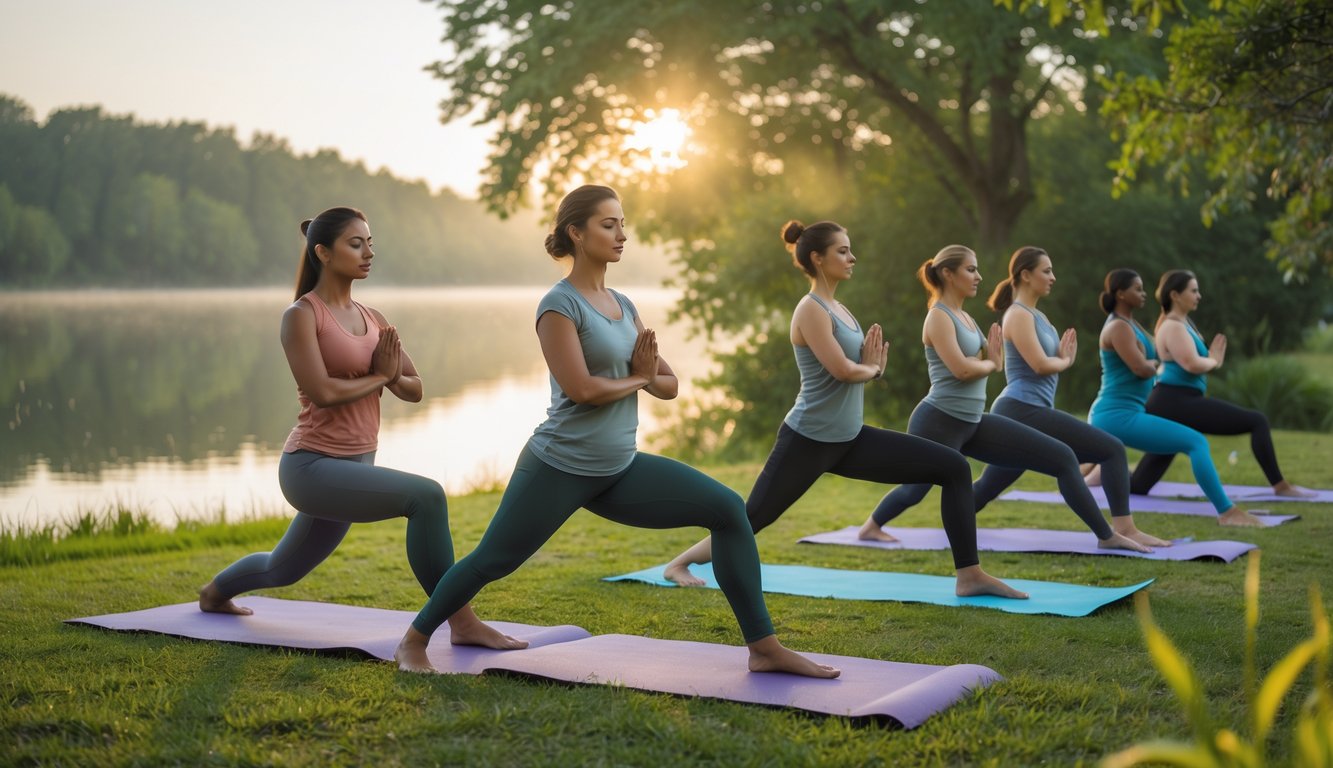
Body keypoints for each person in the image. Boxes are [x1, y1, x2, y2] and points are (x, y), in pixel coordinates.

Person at [394, 186, 839, 678]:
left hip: (619, 467)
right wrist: (637, 377)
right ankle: (415, 641)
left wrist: (642, 377)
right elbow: (582, 389)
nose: (622, 235)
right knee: (494, 560)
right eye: (609, 225)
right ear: (576, 233)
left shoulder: (623, 305)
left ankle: (764, 648)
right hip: (560, 464)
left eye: (622, 224)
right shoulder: (558, 306)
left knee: (729, 510)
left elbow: (667, 384)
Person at [199, 207, 523, 650]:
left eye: (370, 242)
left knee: (283, 569)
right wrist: (380, 376)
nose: (369, 252)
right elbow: (323, 392)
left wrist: (389, 376)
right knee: (425, 497)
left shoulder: (374, 317)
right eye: (357, 244)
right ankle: (461, 623)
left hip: (354, 466)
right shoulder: (301, 316)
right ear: (323, 253)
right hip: (311, 468)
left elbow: (415, 388)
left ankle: (214, 593)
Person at [663, 221, 1026, 599]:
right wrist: (870, 370)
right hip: (809, 439)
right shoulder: (811, 309)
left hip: (849, 438)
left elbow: (858, 369)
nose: (852, 257)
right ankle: (679, 563)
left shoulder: (839, 308)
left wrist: (871, 369)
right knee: (753, 517)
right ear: (818, 258)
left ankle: (969, 574)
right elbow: (842, 369)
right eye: (842, 251)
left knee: (953, 468)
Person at [860, 246, 1150, 552]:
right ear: (947, 273)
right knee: (914, 491)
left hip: (973, 421)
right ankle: (871, 526)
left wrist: (992, 360)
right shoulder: (938, 317)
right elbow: (961, 369)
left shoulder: (965, 317)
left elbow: (983, 360)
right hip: (940, 421)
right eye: (971, 270)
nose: (979, 277)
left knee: (1062, 458)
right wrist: (992, 364)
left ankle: (1107, 536)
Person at [967, 247, 1169, 547]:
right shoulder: (1017, 315)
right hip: (1021, 409)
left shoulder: (1037, 315)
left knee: (990, 484)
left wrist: (1060, 357)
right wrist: (1065, 360)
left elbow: (1046, 363)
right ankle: (1122, 529)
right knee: (1111, 450)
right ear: (1025, 274)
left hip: (1028, 409)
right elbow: (1038, 364)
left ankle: (951, 517)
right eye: (1046, 271)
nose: (1053, 277)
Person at [1087, 269, 1267, 526]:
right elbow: (1141, 369)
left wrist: (1149, 362)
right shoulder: (1118, 327)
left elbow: (1149, 364)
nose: (1144, 293)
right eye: (1137, 289)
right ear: (1120, 294)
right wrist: (1150, 363)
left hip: (1128, 412)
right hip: (1116, 415)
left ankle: (1099, 470)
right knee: (1195, 442)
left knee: (1185, 442)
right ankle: (1227, 513)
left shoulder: (1131, 324)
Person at [1127, 270, 1311, 498]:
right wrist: (1214, 360)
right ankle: (1281, 486)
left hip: (1174, 403)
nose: (1199, 295)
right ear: (1175, 295)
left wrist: (1212, 360)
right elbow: (1191, 364)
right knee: (1257, 421)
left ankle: (1103, 467)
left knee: (1139, 486)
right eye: (1193, 290)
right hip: (1175, 403)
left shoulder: (1180, 322)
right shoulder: (1172, 326)